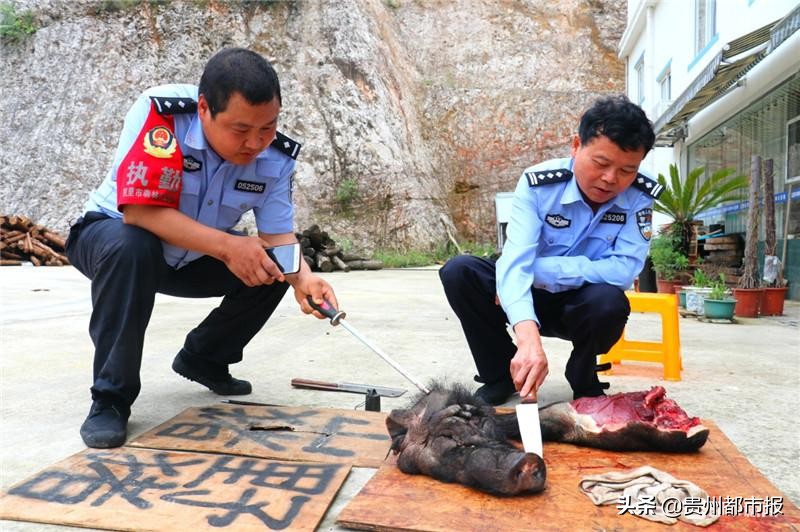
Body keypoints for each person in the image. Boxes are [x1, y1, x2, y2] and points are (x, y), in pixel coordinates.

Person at [65, 48, 338, 449]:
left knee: (276, 265)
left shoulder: (276, 158)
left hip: (191, 258)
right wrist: (230, 247)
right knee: (132, 246)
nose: (256, 143)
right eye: (241, 129)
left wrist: (306, 280)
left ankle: (205, 357)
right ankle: (110, 398)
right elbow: (141, 213)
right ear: (205, 108)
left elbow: (280, 235)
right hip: (111, 238)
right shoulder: (161, 116)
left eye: (267, 127)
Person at [439, 95, 659, 406]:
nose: (611, 179)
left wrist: (540, 271)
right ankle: (500, 374)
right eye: (601, 163)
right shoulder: (538, 184)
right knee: (460, 272)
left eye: (627, 170)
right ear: (575, 146)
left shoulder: (640, 194)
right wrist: (527, 339)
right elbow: (515, 263)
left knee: (609, 300)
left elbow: (623, 270)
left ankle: (583, 376)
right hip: (525, 298)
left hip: (582, 303)